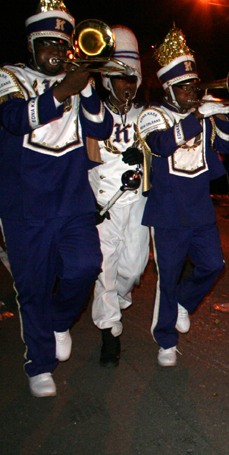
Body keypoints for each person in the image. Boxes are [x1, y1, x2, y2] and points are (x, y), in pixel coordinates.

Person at [0, 0, 113, 397]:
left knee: (86, 266)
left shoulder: (75, 81)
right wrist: (64, 89)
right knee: (32, 285)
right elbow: (15, 118)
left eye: (62, 43)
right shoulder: (7, 76)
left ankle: (56, 321)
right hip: (23, 203)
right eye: (47, 42)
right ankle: (40, 363)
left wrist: (86, 86)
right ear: (32, 44)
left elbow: (101, 129)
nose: (56, 49)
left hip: (72, 199)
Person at [137, 25, 229, 366]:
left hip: (200, 211)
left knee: (213, 265)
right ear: (168, 88)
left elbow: (228, 147)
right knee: (169, 276)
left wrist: (221, 115)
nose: (193, 92)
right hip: (166, 213)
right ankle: (165, 340)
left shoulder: (203, 115)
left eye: (194, 86)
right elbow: (161, 145)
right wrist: (197, 116)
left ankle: (183, 304)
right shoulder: (152, 114)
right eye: (185, 88)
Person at [87, 26, 149, 367]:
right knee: (105, 270)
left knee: (134, 268)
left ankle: (115, 300)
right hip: (103, 206)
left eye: (133, 79)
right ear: (107, 80)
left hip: (137, 204)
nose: (128, 85)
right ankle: (109, 331)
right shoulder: (91, 113)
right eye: (121, 78)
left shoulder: (144, 116)